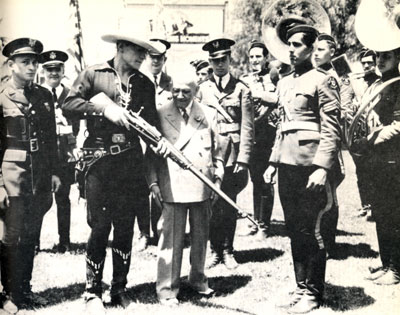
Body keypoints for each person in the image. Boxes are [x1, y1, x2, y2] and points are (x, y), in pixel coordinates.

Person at [62, 33, 164, 312]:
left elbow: (152, 124)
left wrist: (162, 144)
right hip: (99, 163)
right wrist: (101, 110)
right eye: (137, 51)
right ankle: (92, 291)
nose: (143, 57)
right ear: (120, 48)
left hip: (130, 164)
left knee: (124, 227)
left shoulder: (144, 84)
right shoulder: (94, 74)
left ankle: (119, 288)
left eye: (145, 53)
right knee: (100, 226)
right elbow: (68, 104)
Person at [264, 24, 341, 313]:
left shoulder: (323, 80)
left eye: (298, 45)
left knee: (312, 230)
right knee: (295, 229)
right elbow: (282, 128)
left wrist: (322, 167)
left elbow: (332, 129)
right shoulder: (284, 82)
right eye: (289, 44)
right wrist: (272, 162)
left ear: (311, 49)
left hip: (311, 168)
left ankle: (314, 290)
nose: (291, 50)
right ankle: (300, 286)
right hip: (287, 165)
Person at [147, 70, 224, 306]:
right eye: (176, 90)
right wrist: (153, 183)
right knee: (170, 240)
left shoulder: (208, 114)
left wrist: (218, 179)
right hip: (172, 184)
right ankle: (167, 289)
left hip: (203, 184)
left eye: (186, 91)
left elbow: (218, 150)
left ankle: (198, 279)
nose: (180, 95)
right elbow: (150, 155)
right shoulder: (159, 113)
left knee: (201, 237)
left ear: (196, 92)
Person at [0, 38, 61, 312]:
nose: (32, 67)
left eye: (34, 62)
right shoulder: (1, 95)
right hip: (12, 175)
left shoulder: (44, 95)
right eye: (25, 62)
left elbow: (50, 139)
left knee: (31, 235)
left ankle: (24, 290)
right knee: (10, 236)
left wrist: (55, 172)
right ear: (10, 64)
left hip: (39, 176)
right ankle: (7, 294)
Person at [197, 38, 254, 270]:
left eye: (223, 60)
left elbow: (248, 127)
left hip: (232, 154)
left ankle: (229, 250)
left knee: (229, 203)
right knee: (210, 204)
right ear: (210, 63)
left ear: (230, 60)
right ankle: (214, 251)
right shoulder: (202, 89)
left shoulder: (241, 89)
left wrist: (244, 158)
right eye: (214, 61)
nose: (219, 64)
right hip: (210, 155)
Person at [353, 47, 400, 285]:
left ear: (398, 58)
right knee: (381, 213)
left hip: (394, 160)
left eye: (387, 56)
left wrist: (371, 138)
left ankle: (396, 268)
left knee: (394, 214)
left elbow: (398, 126)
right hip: (378, 160)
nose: (380, 61)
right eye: (379, 56)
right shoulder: (378, 85)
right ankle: (386, 263)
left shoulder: (399, 85)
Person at [37, 50, 79, 253]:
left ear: (63, 71)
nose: (53, 73)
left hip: (64, 155)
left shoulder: (70, 94)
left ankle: (65, 241)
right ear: (42, 71)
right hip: (42, 156)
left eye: (57, 69)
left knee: (63, 197)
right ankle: (34, 242)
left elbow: (78, 124)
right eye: (49, 69)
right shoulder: (35, 93)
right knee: (39, 199)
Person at [312, 34, 346, 258]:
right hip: (317, 143)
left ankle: (328, 243)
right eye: (314, 49)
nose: (316, 53)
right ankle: (321, 241)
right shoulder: (314, 75)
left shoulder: (332, 77)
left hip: (329, 144)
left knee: (329, 197)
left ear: (332, 52)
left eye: (321, 49)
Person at [241, 40, 277, 239]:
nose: (255, 60)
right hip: (252, 135)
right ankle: (257, 221)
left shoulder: (274, 77)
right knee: (255, 180)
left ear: (266, 59)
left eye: (258, 56)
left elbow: (277, 99)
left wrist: (258, 94)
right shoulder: (244, 79)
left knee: (266, 181)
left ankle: (265, 225)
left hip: (268, 135)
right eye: (252, 57)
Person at [144, 38, 173, 248]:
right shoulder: (136, 81)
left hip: (161, 143)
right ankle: (144, 233)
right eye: (152, 57)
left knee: (160, 185)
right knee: (139, 188)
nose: (155, 61)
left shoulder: (171, 83)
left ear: (164, 59)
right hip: (140, 142)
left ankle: (159, 230)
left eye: (159, 58)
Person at [350, 49, 380, 218]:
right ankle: (365, 204)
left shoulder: (380, 81)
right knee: (360, 171)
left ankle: (375, 206)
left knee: (373, 170)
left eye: (370, 62)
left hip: (374, 132)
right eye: (364, 63)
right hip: (359, 133)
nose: (367, 65)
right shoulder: (358, 82)